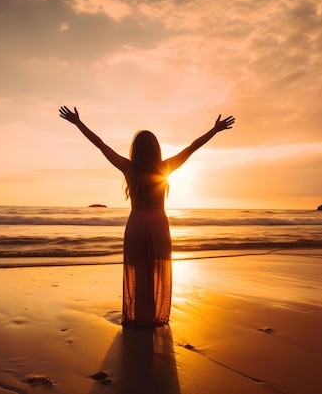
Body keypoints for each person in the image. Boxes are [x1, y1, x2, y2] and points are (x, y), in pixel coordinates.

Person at [59, 106, 235, 327]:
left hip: (136, 223)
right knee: (156, 269)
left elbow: (101, 145)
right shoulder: (165, 168)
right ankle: (154, 314)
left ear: (135, 150)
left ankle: (137, 314)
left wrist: (78, 123)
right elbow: (192, 148)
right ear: (156, 150)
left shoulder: (127, 167)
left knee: (138, 270)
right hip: (158, 223)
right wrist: (214, 130)